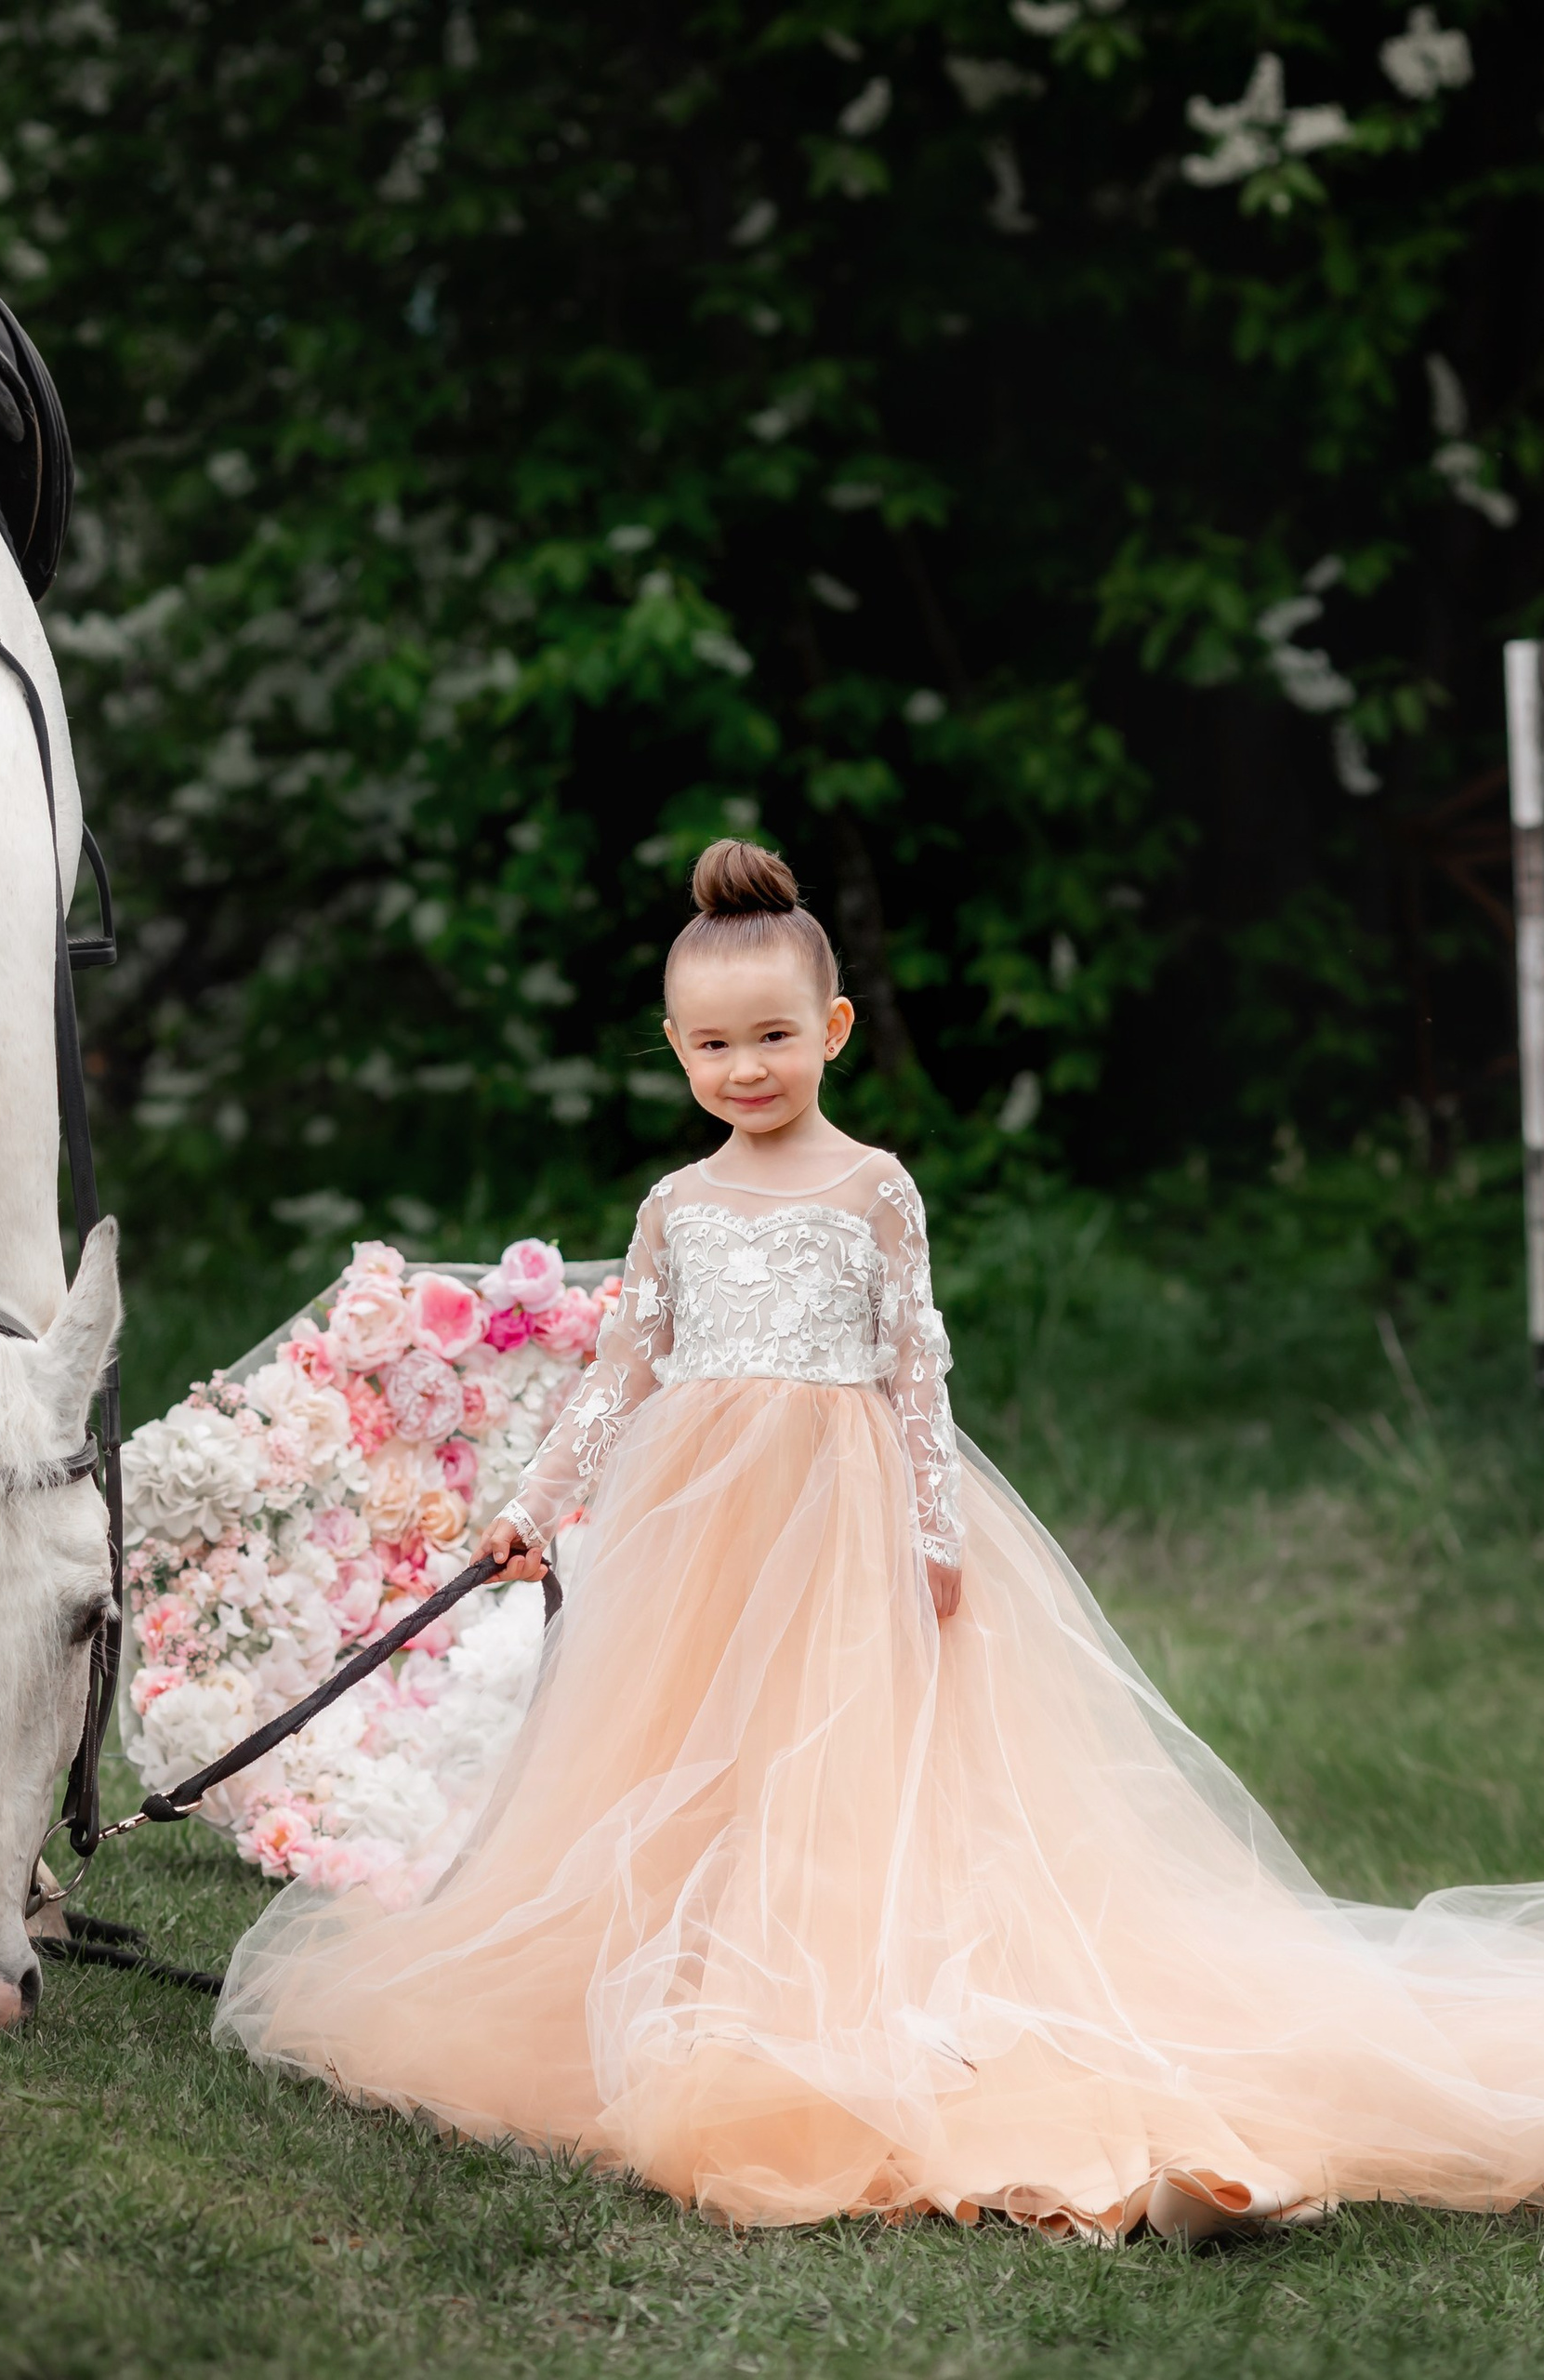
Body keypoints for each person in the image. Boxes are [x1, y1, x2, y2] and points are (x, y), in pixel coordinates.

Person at [214, 838, 1544, 2241]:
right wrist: (534, 1505)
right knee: (691, 1755)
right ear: (673, 1047)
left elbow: (919, 1369)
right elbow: (621, 1372)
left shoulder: (873, 1188)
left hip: (842, 1517)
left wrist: (934, 1524)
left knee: (848, 1759)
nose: (746, 1069)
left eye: (775, 1038)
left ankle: (905, 2015)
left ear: (832, 1032)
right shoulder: (679, 1203)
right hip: (699, 1534)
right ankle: (699, 1989)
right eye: (714, 1046)